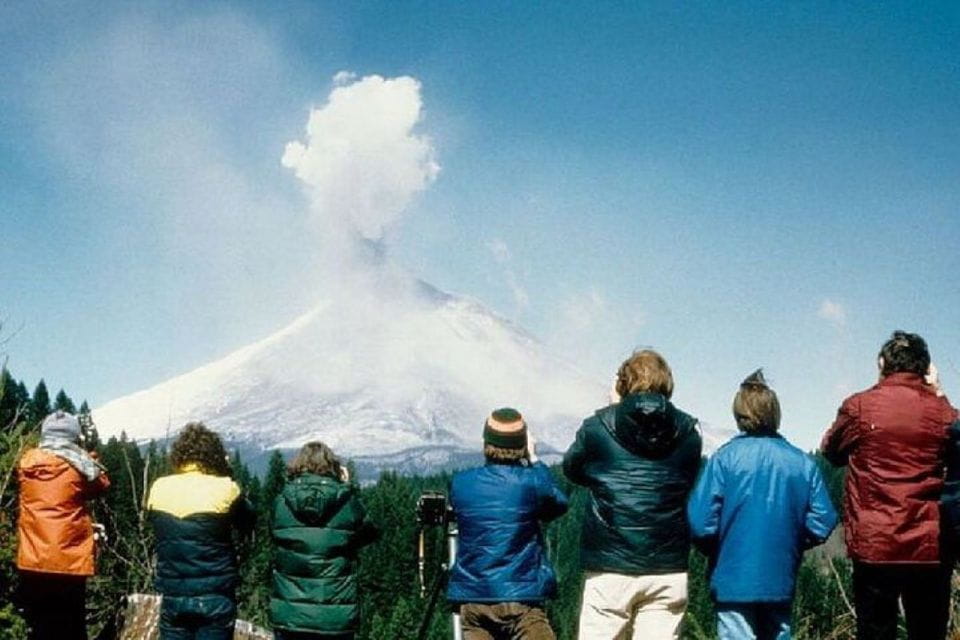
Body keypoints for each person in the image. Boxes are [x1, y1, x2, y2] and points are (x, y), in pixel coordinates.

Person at [821, 330, 958, 640]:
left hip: (876, 545)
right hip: (929, 545)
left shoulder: (859, 407)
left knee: (875, 632)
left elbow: (831, 451)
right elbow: (957, 442)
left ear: (882, 363)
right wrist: (938, 392)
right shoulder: (944, 413)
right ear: (926, 368)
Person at [687, 369, 838, 640]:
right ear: (774, 413)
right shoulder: (802, 463)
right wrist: (793, 541)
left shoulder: (724, 459)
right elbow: (824, 518)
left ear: (740, 414)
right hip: (780, 576)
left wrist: (719, 548)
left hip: (732, 576)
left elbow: (700, 522)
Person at [563, 349, 701, 640]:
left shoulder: (597, 427)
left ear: (622, 384)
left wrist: (615, 408)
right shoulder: (689, 434)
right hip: (666, 567)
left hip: (610, 566)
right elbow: (685, 479)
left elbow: (572, 469)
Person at [447, 408, 569, 640]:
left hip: (474, 598)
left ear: (486, 442)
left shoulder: (461, 483)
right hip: (521, 598)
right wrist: (534, 460)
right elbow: (559, 504)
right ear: (522, 442)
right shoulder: (531, 482)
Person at [146, 422, 254, 640]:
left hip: (173, 596)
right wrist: (227, 473)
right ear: (214, 455)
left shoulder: (159, 487)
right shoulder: (226, 488)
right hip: (215, 597)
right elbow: (249, 520)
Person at [269, 441, 379, 640]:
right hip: (335, 615)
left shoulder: (282, 501)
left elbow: (274, 534)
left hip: (290, 614)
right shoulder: (346, 502)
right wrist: (348, 487)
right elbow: (370, 531)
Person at [16, 410, 111, 640]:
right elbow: (102, 484)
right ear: (74, 436)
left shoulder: (26, 464)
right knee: (71, 626)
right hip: (69, 560)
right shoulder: (78, 467)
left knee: (39, 625)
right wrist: (90, 458)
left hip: (33, 559)